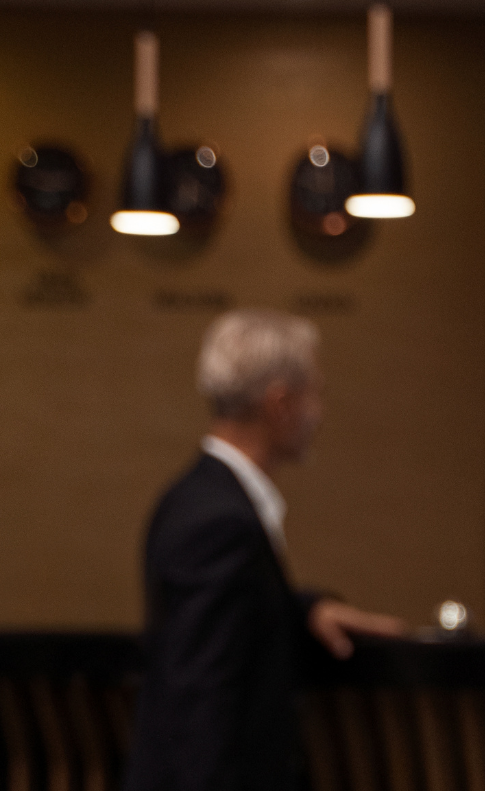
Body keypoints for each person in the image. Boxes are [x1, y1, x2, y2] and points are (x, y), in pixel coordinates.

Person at [125, 309, 404, 791]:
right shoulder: (221, 522)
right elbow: (202, 700)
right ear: (281, 404)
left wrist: (306, 609)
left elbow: (234, 611)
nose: (319, 413)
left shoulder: (196, 497)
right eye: (314, 393)